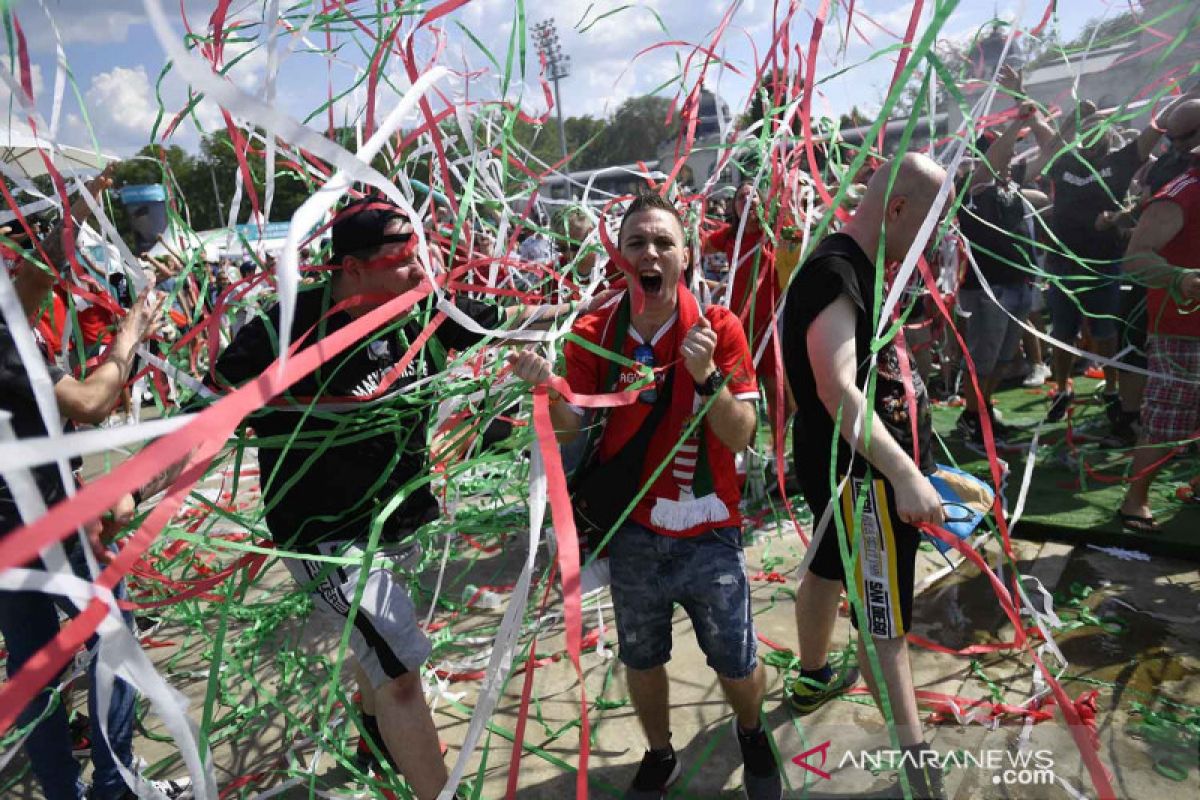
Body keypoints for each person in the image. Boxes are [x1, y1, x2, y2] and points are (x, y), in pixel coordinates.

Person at [208, 195, 585, 800]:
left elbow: (518, 320)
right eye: (401, 256)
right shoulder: (285, 329)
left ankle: (372, 738)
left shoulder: (427, 310)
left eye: (421, 253)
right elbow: (202, 415)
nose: (420, 269)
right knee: (403, 672)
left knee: (376, 652)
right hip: (325, 538)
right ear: (352, 269)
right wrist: (136, 490)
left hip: (396, 520)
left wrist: (596, 299)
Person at [509, 192, 781, 800]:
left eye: (663, 242)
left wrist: (709, 377)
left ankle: (752, 730)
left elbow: (741, 434)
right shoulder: (593, 334)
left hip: (709, 531)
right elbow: (572, 425)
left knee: (736, 661)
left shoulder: (721, 329)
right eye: (637, 242)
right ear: (621, 258)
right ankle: (661, 755)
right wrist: (544, 389)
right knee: (641, 657)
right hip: (631, 531)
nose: (650, 252)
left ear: (686, 256)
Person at [1, 170, 190, 800]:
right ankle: (115, 787)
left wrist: (71, 219)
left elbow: (37, 277)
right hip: (36, 514)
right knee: (113, 637)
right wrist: (131, 333)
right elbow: (88, 402)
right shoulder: (3, 328)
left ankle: (65, 792)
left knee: (33, 665)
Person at [781, 154, 949, 799]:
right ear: (899, 209)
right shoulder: (838, 271)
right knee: (885, 614)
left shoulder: (861, 267)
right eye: (928, 222)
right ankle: (913, 757)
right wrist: (906, 474)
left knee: (827, 565)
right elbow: (837, 388)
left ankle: (815, 671)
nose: (931, 241)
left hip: (851, 470)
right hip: (862, 476)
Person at [1026, 76, 1195, 424]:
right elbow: (1045, 137)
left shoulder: (1120, 161)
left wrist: (1189, 99)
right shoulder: (1064, 161)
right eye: (1083, 133)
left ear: (1106, 134)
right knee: (1062, 331)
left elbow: (1159, 126)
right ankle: (1063, 388)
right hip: (1062, 262)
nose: (1088, 138)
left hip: (1103, 262)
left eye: (1094, 131)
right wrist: (1071, 119)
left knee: (1105, 331)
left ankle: (1112, 389)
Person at [1115, 145, 1200, 533]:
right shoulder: (1181, 193)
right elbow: (1135, 258)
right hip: (1182, 330)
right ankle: (1135, 502)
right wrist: (1179, 277)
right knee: (1167, 420)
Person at [954, 102, 1040, 453]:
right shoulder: (970, 185)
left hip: (1018, 282)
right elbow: (991, 162)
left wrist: (1033, 115)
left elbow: (1050, 152)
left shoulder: (1012, 183)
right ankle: (975, 421)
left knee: (1004, 359)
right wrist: (1017, 120)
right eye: (1007, 146)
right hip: (989, 287)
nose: (1013, 152)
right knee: (984, 360)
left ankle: (981, 412)